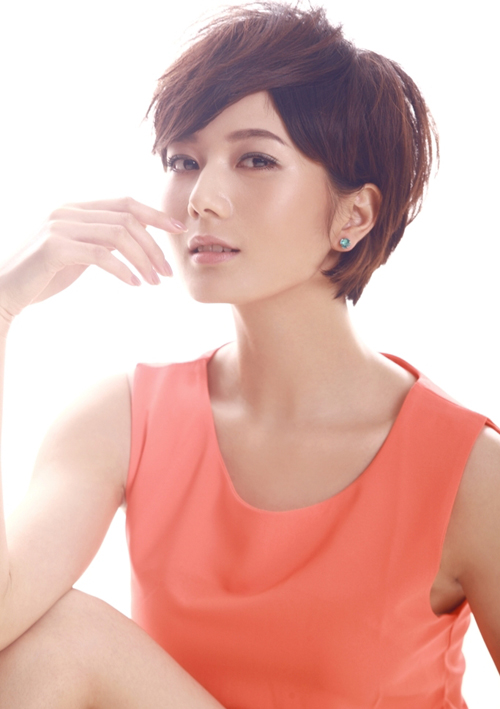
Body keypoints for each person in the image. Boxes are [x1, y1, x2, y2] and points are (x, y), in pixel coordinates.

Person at [0, 2, 498, 707]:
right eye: (184, 161)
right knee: (53, 640)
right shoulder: (123, 418)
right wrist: (2, 309)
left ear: (355, 214)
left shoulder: (469, 471)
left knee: (65, 639)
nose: (202, 199)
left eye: (256, 159)